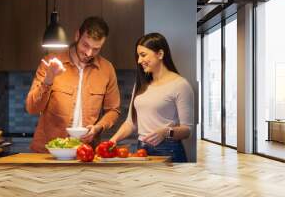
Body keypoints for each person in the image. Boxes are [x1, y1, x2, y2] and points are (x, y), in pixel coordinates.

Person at [26, 16, 120, 153]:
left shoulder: (107, 69)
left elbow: (113, 110)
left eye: (96, 49)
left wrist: (98, 127)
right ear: (77, 36)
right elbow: (32, 108)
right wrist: (49, 79)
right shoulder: (51, 62)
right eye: (85, 45)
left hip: (86, 152)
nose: (89, 53)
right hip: (49, 152)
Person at [109, 33, 194, 162]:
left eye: (143, 55)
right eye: (138, 56)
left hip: (168, 150)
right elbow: (131, 123)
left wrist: (165, 132)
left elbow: (187, 130)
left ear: (160, 54)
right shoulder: (141, 84)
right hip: (141, 149)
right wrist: (112, 141)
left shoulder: (180, 85)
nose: (139, 61)